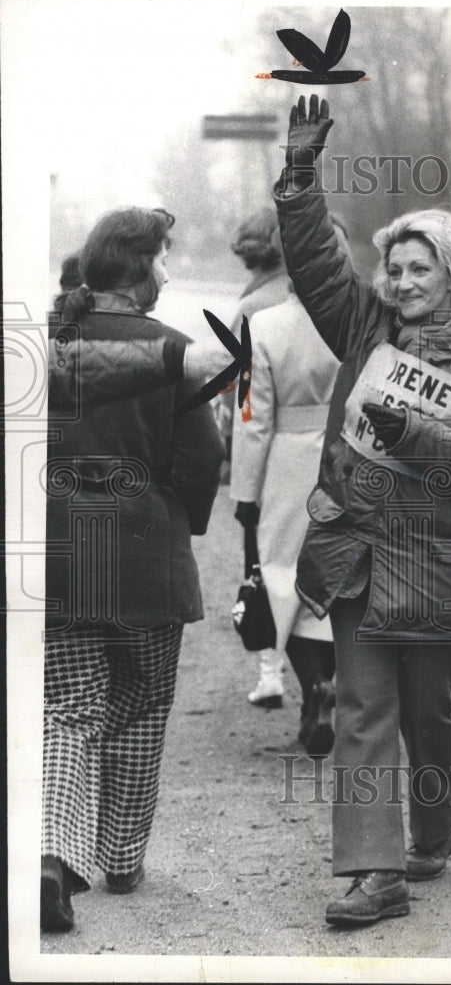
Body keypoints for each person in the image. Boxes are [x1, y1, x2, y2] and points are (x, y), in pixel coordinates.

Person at [272, 95, 451, 925]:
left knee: (429, 714)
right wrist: (299, 176)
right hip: (355, 559)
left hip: (438, 568)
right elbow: (317, 263)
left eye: (420, 269)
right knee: (362, 711)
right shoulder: (364, 330)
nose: (402, 281)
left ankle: (434, 829)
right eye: (395, 268)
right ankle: (372, 875)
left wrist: (416, 434)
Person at [42, 207, 224, 932]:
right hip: (148, 552)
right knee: (143, 702)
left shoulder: (49, 346)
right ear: (143, 264)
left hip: (61, 550)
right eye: (166, 256)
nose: (170, 269)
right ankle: (120, 858)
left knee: (65, 711)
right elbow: (200, 461)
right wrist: (180, 522)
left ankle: (52, 855)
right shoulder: (174, 351)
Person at [229, 243, 345, 752]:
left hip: (288, 463)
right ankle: (336, 678)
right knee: (342, 575)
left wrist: (246, 493)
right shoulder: (357, 323)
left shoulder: (265, 325)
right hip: (352, 456)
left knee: (285, 577)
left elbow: (251, 419)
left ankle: (314, 682)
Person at [215, 207, 293, 704]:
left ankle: (271, 671)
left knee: (265, 561)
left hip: (267, 455)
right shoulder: (312, 299)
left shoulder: (252, 308)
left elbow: (233, 392)